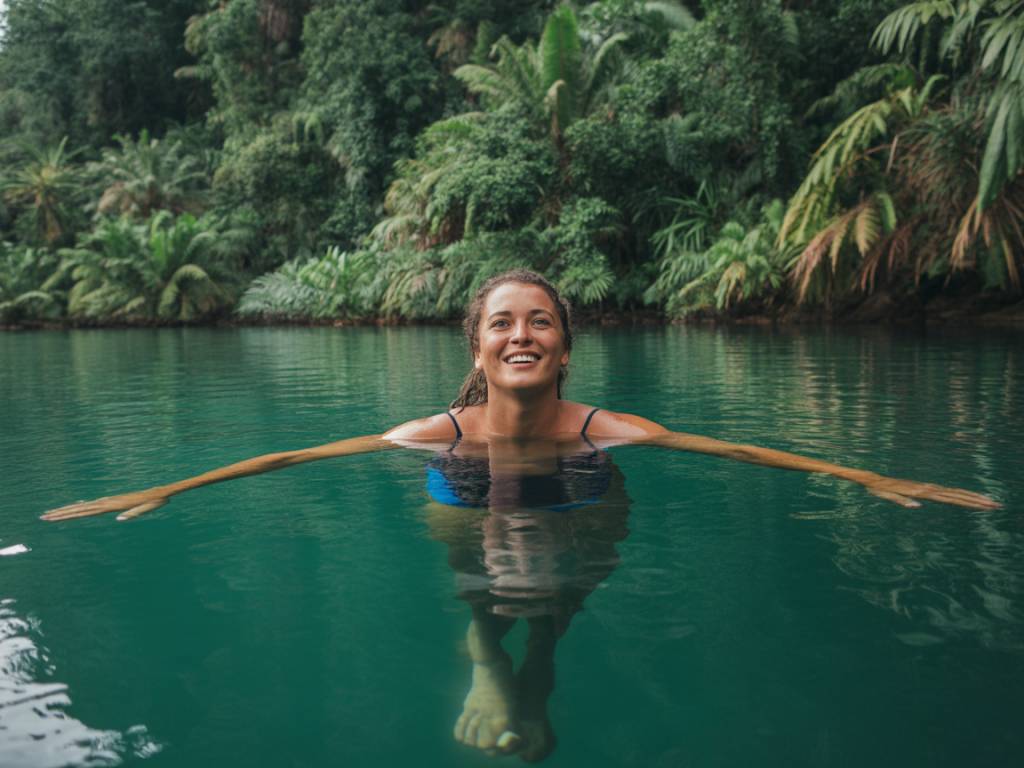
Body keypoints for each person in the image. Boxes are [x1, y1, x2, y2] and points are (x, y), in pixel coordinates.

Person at [41, 269, 1000, 758]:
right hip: (465, 491)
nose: (522, 332)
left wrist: (868, 479)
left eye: (540, 320)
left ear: (565, 350)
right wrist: (165, 486)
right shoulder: (439, 429)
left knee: (561, 571)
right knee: (502, 549)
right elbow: (296, 455)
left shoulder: (607, 426)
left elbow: (740, 450)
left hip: (587, 488)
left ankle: (528, 655)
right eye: (503, 321)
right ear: (480, 345)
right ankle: (494, 654)